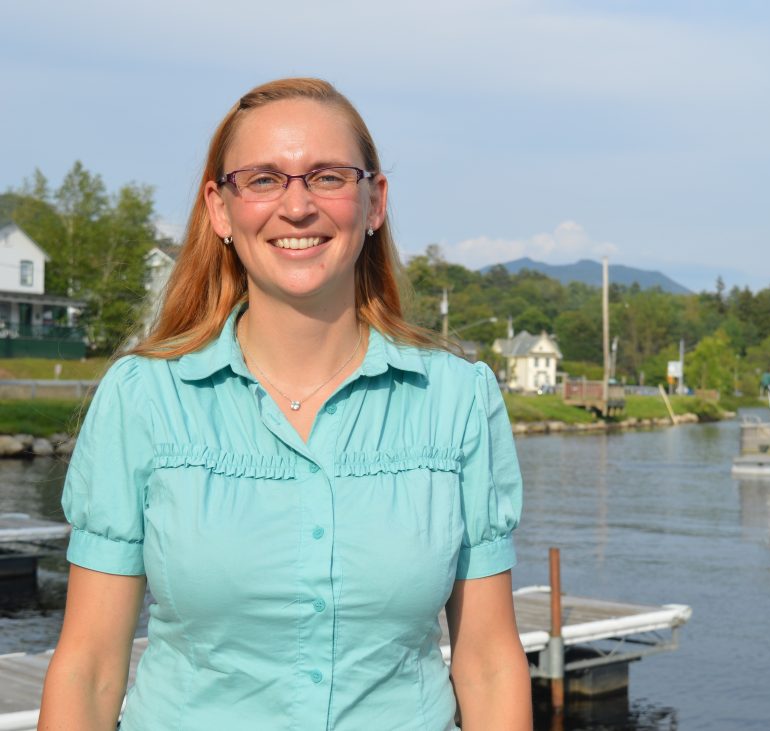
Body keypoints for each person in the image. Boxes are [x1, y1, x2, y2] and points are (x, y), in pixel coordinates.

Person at [39, 78, 531, 730]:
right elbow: (90, 668)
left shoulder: (458, 400)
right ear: (219, 209)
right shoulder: (142, 399)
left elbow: (490, 664)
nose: (297, 206)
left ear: (374, 201)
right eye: (264, 180)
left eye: (327, 177)